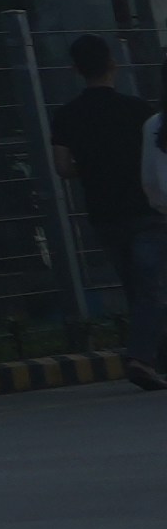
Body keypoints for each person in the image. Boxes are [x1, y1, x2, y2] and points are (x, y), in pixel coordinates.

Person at [62, 32, 165, 391]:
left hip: (103, 212)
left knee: (135, 288)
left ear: (76, 69)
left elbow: (63, 167)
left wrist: (92, 166)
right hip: (145, 209)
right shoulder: (139, 111)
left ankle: (150, 355)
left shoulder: (67, 115)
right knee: (149, 287)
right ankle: (142, 358)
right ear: (113, 64)